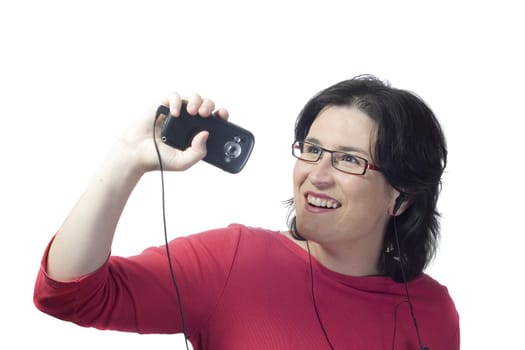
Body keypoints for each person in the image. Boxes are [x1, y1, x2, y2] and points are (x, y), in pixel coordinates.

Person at [33, 75, 460, 349]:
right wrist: (127, 159)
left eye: (348, 160)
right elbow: (70, 294)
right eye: (311, 151)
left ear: (401, 198)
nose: (317, 175)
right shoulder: (236, 260)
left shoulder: (432, 312)